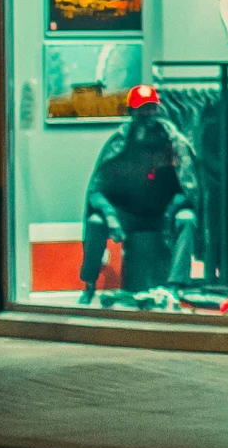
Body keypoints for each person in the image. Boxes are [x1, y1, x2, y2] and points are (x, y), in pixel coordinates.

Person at [79, 85, 199, 301]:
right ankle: (89, 284)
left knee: (187, 219)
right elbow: (96, 192)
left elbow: (188, 190)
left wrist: (170, 211)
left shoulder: (174, 143)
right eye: (142, 109)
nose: (148, 113)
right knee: (96, 222)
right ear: (131, 111)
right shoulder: (119, 143)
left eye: (151, 108)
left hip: (163, 215)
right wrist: (112, 217)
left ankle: (175, 286)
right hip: (126, 216)